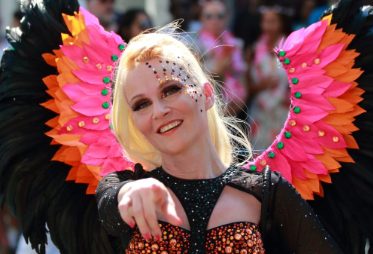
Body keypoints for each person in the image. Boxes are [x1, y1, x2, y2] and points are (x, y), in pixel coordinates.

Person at [95, 25, 342, 253]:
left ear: (207, 94)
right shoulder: (123, 188)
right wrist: (126, 195)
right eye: (141, 104)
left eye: (171, 89)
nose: (158, 111)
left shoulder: (267, 193)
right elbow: (107, 210)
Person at [245, 4, 293, 150]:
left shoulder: (291, 48)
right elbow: (247, 87)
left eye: (272, 21)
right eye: (265, 21)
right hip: (260, 114)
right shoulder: (253, 50)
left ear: (281, 23)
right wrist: (262, 85)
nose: (267, 26)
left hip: (283, 114)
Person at [197, 0, 246, 117]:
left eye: (220, 16)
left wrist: (238, 103)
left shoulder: (234, 42)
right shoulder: (196, 43)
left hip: (235, 107)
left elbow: (242, 77)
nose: (215, 21)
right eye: (209, 16)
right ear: (201, 18)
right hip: (208, 107)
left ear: (227, 18)